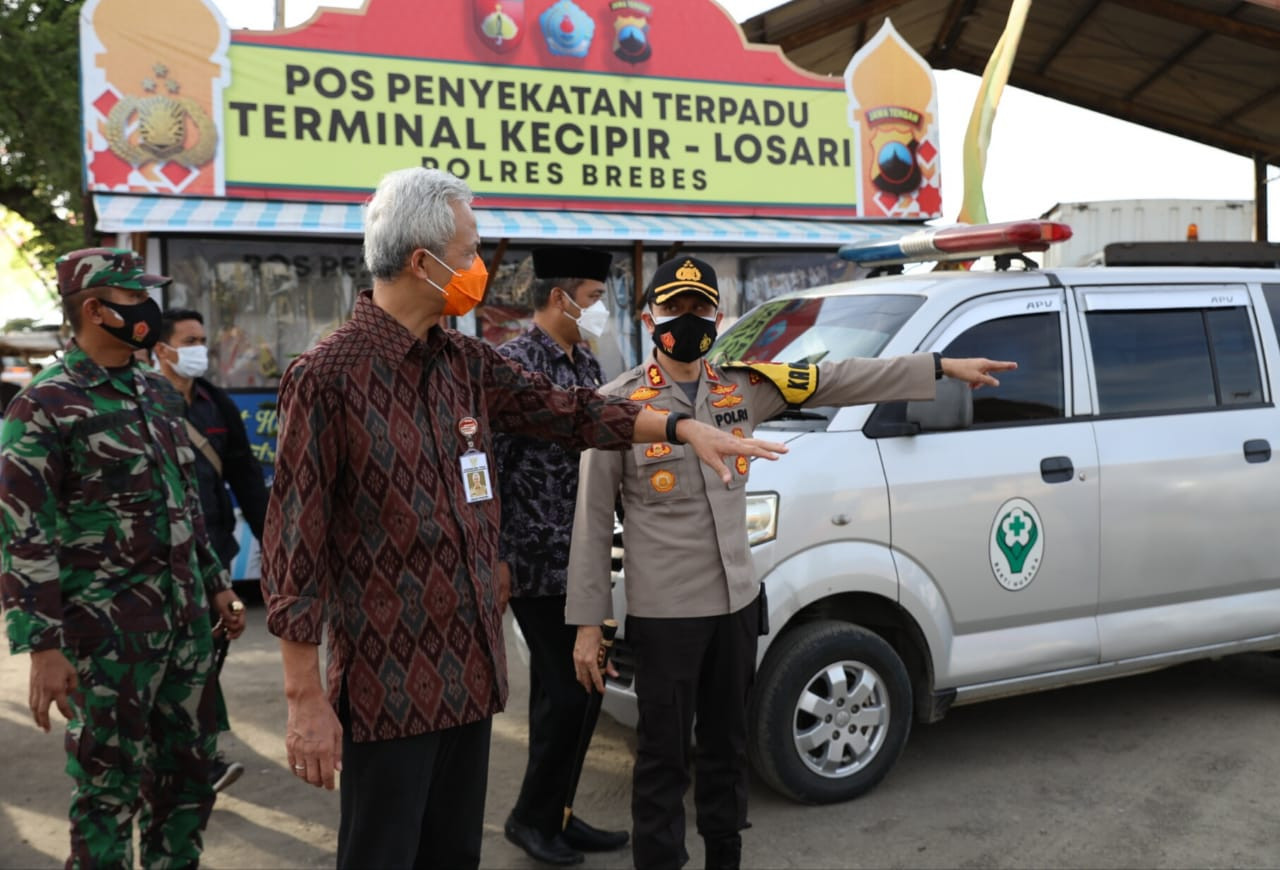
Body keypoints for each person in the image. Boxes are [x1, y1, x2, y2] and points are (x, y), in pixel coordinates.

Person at [259, 167, 786, 870]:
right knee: (382, 855)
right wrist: (303, 699)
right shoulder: (327, 376)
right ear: (424, 262)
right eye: (471, 251)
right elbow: (294, 546)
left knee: (454, 856)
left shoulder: (465, 362)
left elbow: (569, 412)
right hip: (389, 682)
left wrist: (683, 428)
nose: (480, 267)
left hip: (470, 673)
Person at [566, 255, 1016, 870]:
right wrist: (590, 624)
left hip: (736, 606)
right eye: (675, 309)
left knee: (726, 750)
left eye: (700, 309)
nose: (689, 320)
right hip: (666, 616)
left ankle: (726, 857)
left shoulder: (743, 387)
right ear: (650, 317)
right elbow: (591, 522)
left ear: (717, 317)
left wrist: (939, 367)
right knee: (663, 761)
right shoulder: (618, 407)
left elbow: (838, 377)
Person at [0, 248, 246, 868]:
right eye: (136, 299)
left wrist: (217, 585)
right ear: (94, 309)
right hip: (105, 639)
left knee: (188, 780)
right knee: (109, 791)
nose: (149, 310)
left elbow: (184, 501)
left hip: (185, 628)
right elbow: (22, 534)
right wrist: (44, 647)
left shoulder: (157, 394)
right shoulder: (43, 406)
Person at [494, 246, 629, 866]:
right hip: (533, 559)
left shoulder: (585, 363)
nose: (601, 311)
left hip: (583, 557)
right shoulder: (512, 363)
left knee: (582, 692)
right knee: (569, 690)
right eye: (596, 298)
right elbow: (483, 468)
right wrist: (493, 553)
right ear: (559, 297)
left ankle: (558, 814)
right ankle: (530, 818)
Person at [155, 307, 270, 793]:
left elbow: (244, 474)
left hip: (215, 552)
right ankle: (189, 757)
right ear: (161, 350)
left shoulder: (216, 404)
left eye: (204, 339)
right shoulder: (147, 404)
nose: (201, 349)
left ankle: (192, 755)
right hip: (162, 561)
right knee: (175, 662)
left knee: (210, 651)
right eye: (191, 340)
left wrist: (275, 542)